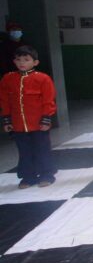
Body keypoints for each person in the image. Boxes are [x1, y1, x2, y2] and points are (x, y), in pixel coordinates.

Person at [0, 46, 57, 188]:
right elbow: (4, 100)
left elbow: (48, 100)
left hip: (38, 123)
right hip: (19, 124)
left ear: (35, 62)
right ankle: (28, 176)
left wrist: (46, 118)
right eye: (18, 60)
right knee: (24, 151)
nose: (22, 63)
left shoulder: (43, 79)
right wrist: (6, 119)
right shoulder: (8, 79)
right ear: (14, 61)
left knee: (42, 149)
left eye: (26, 59)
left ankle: (46, 174)